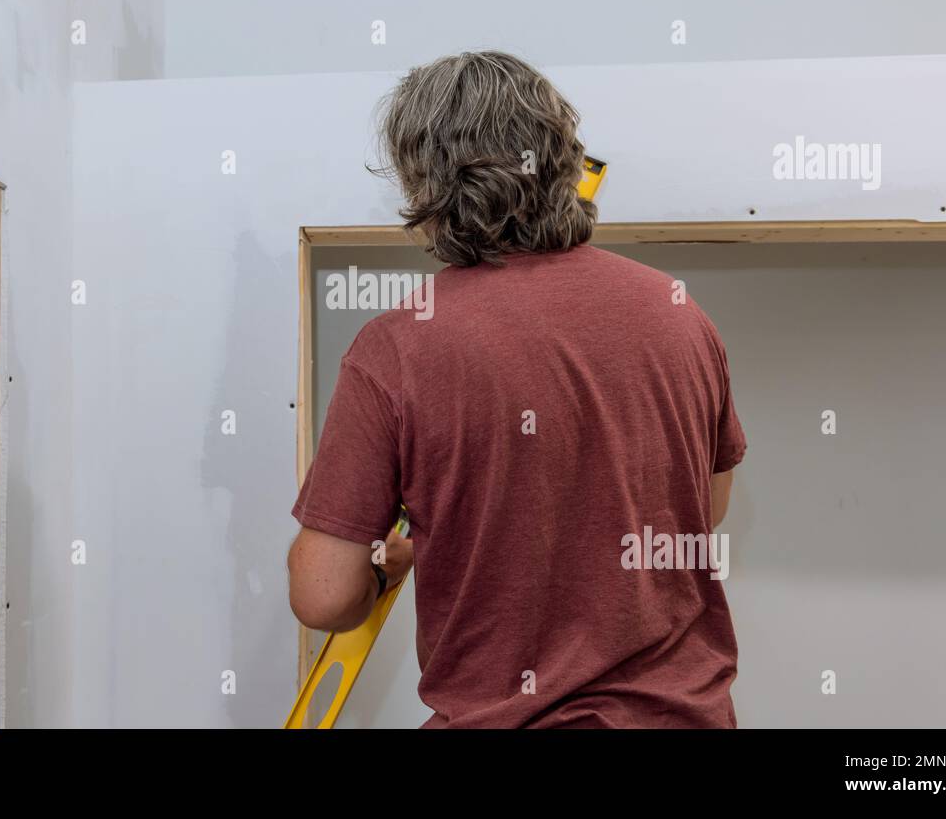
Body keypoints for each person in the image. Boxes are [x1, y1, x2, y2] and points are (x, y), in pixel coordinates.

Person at [286, 50, 746, 728]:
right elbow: (701, 508)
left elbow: (322, 593)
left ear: (427, 185)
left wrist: (393, 562)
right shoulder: (679, 314)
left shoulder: (399, 346)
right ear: (563, 162)